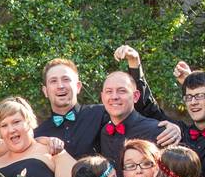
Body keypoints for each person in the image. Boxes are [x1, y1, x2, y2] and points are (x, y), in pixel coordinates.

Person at [34, 54, 181, 160]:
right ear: (45, 91)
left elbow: (137, 111)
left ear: (78, 87)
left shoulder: (102, 112)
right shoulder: (39, 134)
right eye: (53, 81)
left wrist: (172, 127)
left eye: (66, 80)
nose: (60, 86)